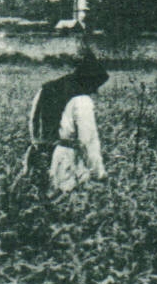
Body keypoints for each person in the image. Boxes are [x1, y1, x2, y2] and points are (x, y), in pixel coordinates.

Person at [23, 50, 109, 194]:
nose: (95, 91)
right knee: (67, 202)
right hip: (67, 160)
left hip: (39, 155)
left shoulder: (46, 89)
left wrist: (39, 147)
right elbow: (87, 142)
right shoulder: (82, 100)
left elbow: (33, 122)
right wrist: (99, 173)